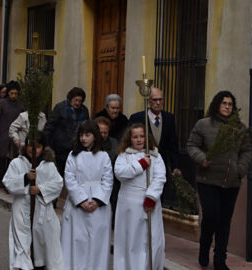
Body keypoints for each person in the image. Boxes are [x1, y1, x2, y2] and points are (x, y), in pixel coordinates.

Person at [187, 91, 251, 269]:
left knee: (224, 221)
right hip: (208, 180)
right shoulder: (203, 124)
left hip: (231, 183)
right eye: (224, 103)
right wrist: (202, 158)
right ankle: (204, 246)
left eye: (230, 104)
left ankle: (220, 260)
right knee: (211, 216)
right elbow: (191, 145)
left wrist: (241, 169)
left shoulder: (240, 128)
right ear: (217, 105)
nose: (227, 107)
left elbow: (246, 151)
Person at [2, 134, 64, 270]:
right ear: (26, 146)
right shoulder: (17, 163)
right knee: (23, 246)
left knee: (42, 248)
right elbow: (8, 182)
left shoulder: (48, 165)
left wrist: (40, 189)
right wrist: (25, 178)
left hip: (42, 213)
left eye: (38, 146)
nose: (34, 149)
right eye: (31, 145)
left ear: (43, 148)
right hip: (22, 212)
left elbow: (58, 184)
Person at [60, 120, 113, 270]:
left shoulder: (103, 156)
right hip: (78, 205)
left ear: (95, 136)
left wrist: (97, 201)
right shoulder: (73, 155)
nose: (84, 138)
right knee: (77, 240)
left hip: (98, 206)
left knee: (97, 242)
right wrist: (81, 200)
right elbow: (69, 178)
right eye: (81, 135)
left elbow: (108, 180)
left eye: (87, 135)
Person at [113, 123, 166, 270]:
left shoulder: (155, 155)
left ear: (147, 137)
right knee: (131, 240)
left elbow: (160, 177)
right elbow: (120, 173)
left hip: (149, 203)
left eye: (142, 136)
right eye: (135, 137)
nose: (138, 140)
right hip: (129, 204)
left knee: (150, 240)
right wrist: (140, 165)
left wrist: (152, 196)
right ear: (129, 139)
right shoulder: (124, 155)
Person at [129, 88, 180, 205]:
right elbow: (129, 140)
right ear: (148, 101)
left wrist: (175, 166)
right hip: (141, 165)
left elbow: (173, 145)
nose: (158, 103)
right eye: (155, 100)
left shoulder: (169, 118)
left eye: (160, 100)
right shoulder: (137, 118)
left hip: (160, 166)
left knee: (157, 199)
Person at [44, 87, 89, 177]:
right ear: (70, 98)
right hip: (60, 148)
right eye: (75, 100)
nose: (77, 103)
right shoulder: (60, 108)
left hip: (76, 148)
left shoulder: (84, 111)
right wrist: (47, 144)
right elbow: (50, 126)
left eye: (80, 101)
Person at [0, 81, 24, 185]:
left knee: (14, 159)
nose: (13, 96)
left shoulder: (21, 104)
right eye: (11, 93)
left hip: (16, 134)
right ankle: (1, 180)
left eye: (15, 94)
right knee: (3, 158)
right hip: (3, 133)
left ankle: (12, 182)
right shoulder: (2, 103)